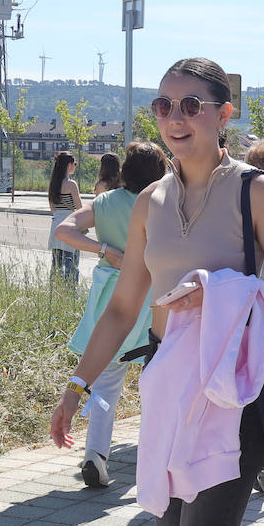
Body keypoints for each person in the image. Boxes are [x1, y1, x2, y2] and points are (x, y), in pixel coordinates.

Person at [49, 57, 264, 526]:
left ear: (224, 114)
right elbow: (122, 309)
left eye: (190, 105)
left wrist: (224, 294)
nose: (175, 117)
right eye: (163, 105)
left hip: (232, 394)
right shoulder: (150, 203)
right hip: (169, 388)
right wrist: (77, 387)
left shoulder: (256, 191)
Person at [54, 141, 167, 488]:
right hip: (153, 298)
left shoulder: (105, 202)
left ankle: (95, 455)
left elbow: (64, 230)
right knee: (158, 379)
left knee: (106, 380)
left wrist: (104, 249)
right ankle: (156, 458)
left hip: (111, 298)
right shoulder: (161, 203)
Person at [47, 152, 84, 280]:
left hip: (56, 226)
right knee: (71, 264)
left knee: (56, 264)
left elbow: (53, 208)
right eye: (75, 164)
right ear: (69, 165)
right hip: (70, 225)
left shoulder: (53, 184)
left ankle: (54, 291)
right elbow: (79, 208)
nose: (75, 166)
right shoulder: (71, 184)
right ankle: (71, 293)